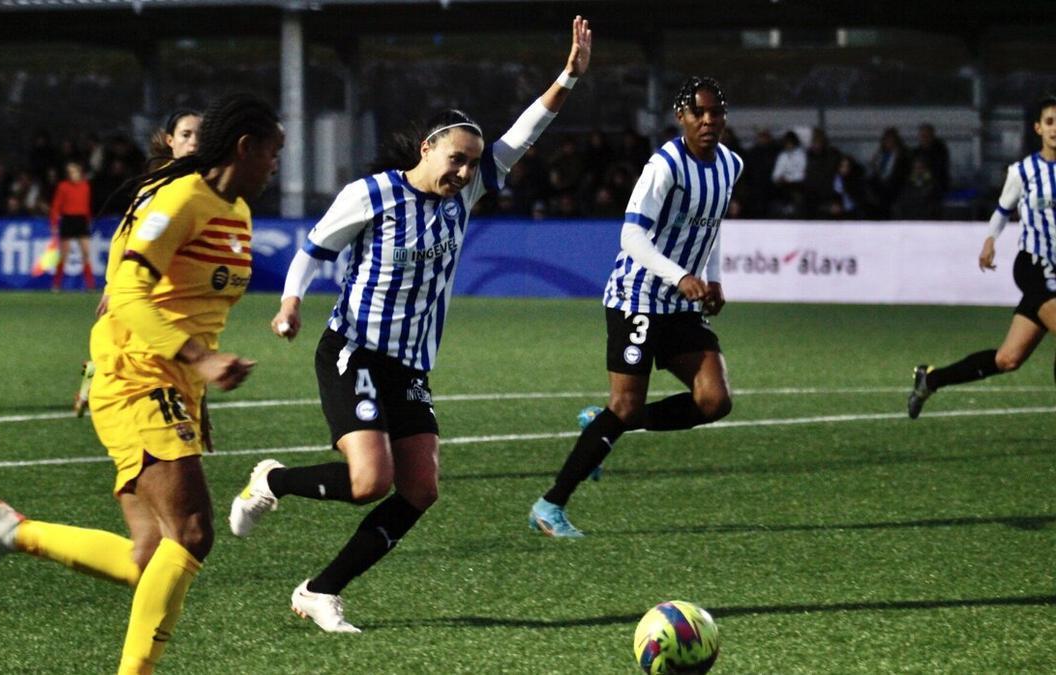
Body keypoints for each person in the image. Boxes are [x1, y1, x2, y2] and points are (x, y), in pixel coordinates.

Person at [228, 16, 592, 634]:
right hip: (354, 350)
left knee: (420, 490)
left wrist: (568, 78)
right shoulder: (371, 194)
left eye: (473, 164)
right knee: (371, 481)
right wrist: (290, 303)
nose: (464, 173)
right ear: (427, 149)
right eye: (456, 159)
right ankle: (274, 481)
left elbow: (523, 135)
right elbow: (312, 251)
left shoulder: (466, 196)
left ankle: (320, 590)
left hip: (410, 366)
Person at [0, 92, 282, 674]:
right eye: (274, 152)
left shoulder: (237, 210)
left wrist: (198, 386)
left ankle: (12, 531)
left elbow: (192, 305)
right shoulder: (177, 199)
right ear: (245, 147)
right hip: (137, 376)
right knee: (192, 533)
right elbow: (126, 294)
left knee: (151, 555)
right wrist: (196, 359)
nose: (276, 165)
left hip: (173, 384)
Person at [528, 75, 741, 538]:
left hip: (682, 304)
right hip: (638, 297)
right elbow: (630, 234)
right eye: (699, 113)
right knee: (624, 406)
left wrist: (715, 277)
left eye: (716, 113)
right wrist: (681, 276)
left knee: (715, 400)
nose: (709, 121)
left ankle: (602, 426)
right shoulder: (665, 165)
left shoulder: (730, 164)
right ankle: (550, 505)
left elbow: (712, 226)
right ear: (681, 117)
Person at [908, 95, 1056, 419]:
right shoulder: (1024, 171)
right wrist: (990, 241)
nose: (1055, 128)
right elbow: (1003, 210)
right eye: (1049, 122)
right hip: (1034, 265)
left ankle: (930, 379)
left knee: (1008, 359)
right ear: (1038, 128)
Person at [74, 109, 202, 416]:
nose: (194, 142)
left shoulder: (209, 188)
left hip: (178, 288)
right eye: (186, 135)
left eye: (202, 135)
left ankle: (104, 374)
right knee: (129, 341)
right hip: (146, 284)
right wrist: (111, 285)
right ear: (171, 142)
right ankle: (103, 377)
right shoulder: (158, 187)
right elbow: (124, 234)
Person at [48, 160, 95, 292]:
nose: (72, 175)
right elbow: (56, 206)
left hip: (81, 221)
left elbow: (86, 205)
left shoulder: (85, 186)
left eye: (73, 172)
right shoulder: (63, 187)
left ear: (79, 173)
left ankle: (90, 285)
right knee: (64, 254)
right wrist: (53, 222)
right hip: (68, 220)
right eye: (69, 172)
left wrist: (88, 220)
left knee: (86, 253)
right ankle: (56, 285)